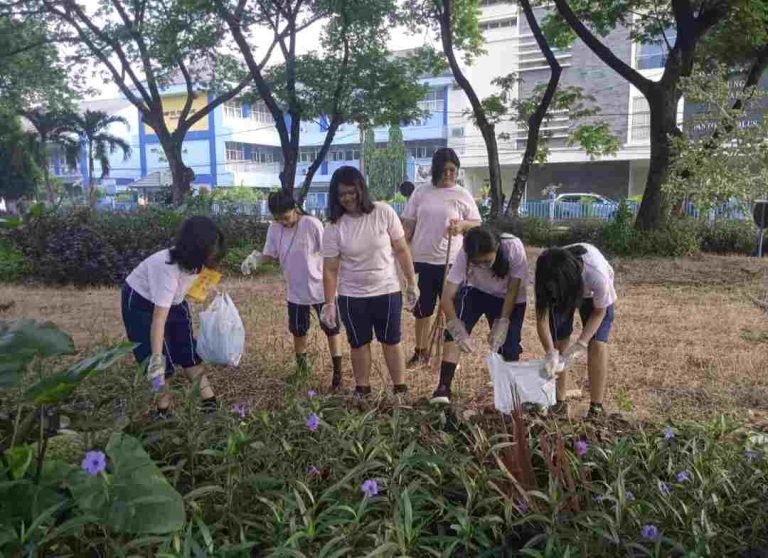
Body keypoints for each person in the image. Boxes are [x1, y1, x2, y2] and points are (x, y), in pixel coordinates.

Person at [321, 166, 419, 397]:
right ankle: (362, 389)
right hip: (352, 296)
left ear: (360, 189)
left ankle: (400, 388)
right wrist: (328, 303)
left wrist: (411, 282)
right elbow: (330, 269)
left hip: (386, 290)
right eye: (341, 194)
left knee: (391, 340)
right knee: (358, 343)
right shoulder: (334, 227)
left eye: (351, 192)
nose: (347, 198)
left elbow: (402, 249)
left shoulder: (383, 212)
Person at [121, 216, 225, 417]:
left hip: (173, 300)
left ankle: (210, 403)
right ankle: (163, 410)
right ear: (196, 248)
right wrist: (157, 358)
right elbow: (159, 319)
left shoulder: (200, 262)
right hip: (142, 302)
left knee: (188, 350)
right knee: (160, 360)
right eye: (210, 249)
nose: (214, 253)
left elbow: (192, 289)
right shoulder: (166, 269)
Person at [240, 191, 344, 389]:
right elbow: (270, 255)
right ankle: (302, 370)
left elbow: (329, 252)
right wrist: (255, 259)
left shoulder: (311, 224)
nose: (284, 223)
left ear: (295, 209)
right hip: (295, 291)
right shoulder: (274, 228)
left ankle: (338, 373)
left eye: (286, 218)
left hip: (321, 289)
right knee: (298, 331)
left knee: (332, 329)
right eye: (279, 219)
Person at [401, 148, 481, 368]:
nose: (448, 175)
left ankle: (449, 355)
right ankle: (420, 351)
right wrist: (399, 246)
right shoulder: (421, 193)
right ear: (435, 170)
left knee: (451, 309)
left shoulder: (462, 194)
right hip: (422, 260)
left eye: (453, 170)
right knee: (422, 310)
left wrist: (462, 225)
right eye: (444, 170)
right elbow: (408, 223)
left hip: (452, 263)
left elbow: (477, 223)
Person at [430, 226, 528, 404]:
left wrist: (503, 321)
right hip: (476, 291)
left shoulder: (513, 247)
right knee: (452, 334)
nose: (483, 266)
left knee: (510, 347)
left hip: (508, 297)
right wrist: (457, 328)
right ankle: (443, 387)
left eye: (487, 261)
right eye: (477, 263)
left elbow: (513, 289)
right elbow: (446, 296)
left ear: (496, 248)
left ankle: (507, 392)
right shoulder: (465, 252)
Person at [534, 243, 617, 418]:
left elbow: (599, 311)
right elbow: (542, 319)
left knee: (597, 343)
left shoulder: (597, 275)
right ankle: (559, 402)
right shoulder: (546, 270)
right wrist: (550, 351)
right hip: (561, 288)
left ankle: (596, 407)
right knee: (559, 342)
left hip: (594, 297)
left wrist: (581, 343)